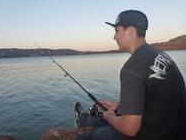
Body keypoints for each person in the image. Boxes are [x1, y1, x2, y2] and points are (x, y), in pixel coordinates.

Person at [74, 10, 186, 140]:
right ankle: (86, 120)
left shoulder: (132, 68)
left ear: (131, 31)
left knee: (87, 136)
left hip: (151, 135)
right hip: (174, 131)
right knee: (99, 121)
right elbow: (157, 101)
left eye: (117, 31)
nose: (114, 37)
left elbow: (130, 128)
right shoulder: (160, 55)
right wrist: (120, 106)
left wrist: (109, 117)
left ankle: (83, 122)